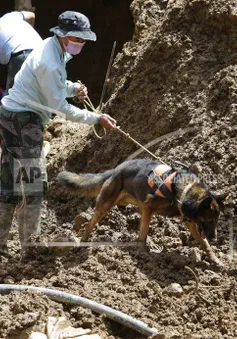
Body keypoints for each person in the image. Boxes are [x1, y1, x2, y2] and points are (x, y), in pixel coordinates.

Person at [0, 10, 117, 257]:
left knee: (10, 182)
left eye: (84, 40)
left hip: (14, 115)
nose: (81, 44)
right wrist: (96, 118)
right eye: (78, 39)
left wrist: (72, 88)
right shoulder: (50, 61)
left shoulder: (52, 49)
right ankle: (30, 248)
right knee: (32, 185)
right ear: (63, 36)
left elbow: (51, 88)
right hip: (23, 121)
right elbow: (59, 108)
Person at [0, 10, 42, 92]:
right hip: (43, 53)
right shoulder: (9, 17)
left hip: (21, 56)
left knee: (13, 102)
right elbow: (31, 15)